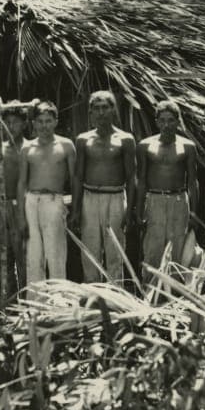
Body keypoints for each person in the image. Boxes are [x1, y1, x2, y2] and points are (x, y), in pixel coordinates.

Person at [71, 91, 136, 284]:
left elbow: (132, 177)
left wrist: (130, 209)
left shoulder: (125, 139)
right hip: (90, 198)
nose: (101, 113)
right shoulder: (83, 139)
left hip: (116, 197)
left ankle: (115, 297)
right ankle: (94, 296)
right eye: (96, 108)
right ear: (90, 112)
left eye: (105, 107)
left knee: (115, 251)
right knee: (90, 250)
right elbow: (78, 176)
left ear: (113, 109)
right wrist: (75, 209)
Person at [136, 100, 199, 285]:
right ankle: (150, 290)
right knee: (153, 248)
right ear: (156, 121)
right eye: (162, 120)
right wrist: (139, 210)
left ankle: (175, 293)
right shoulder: (145, 146)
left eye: (171, 120)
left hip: (179, 200)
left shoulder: (187, 146)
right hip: (154, 199)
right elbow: (141, 180)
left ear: (178, 121)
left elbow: (193, 181)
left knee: (177, 246)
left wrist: (194, 211)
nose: (166, 125)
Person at [18, 101, 77, 286]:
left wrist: (75, 209)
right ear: (34, 123)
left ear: (56, 121)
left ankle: (59, 302)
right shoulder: (27, 148)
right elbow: (21, 182)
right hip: (31, 201)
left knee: (56, 254)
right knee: (34, 255)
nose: (44, 125)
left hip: (54, 201)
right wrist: (20, 215)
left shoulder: (66, 146)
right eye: (40, 121)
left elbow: (75, 179)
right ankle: (35, 303)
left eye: (48, 121)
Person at [0, 102, 29, 298]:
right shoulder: (0, 148)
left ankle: (26, 297)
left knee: (23, 255)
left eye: (15, 122)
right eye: (6, 122)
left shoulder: (29, 148)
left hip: (22, 205)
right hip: (2, 205)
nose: (10, 127)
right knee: (4, 255)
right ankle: (9, 299)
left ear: (24, 124)